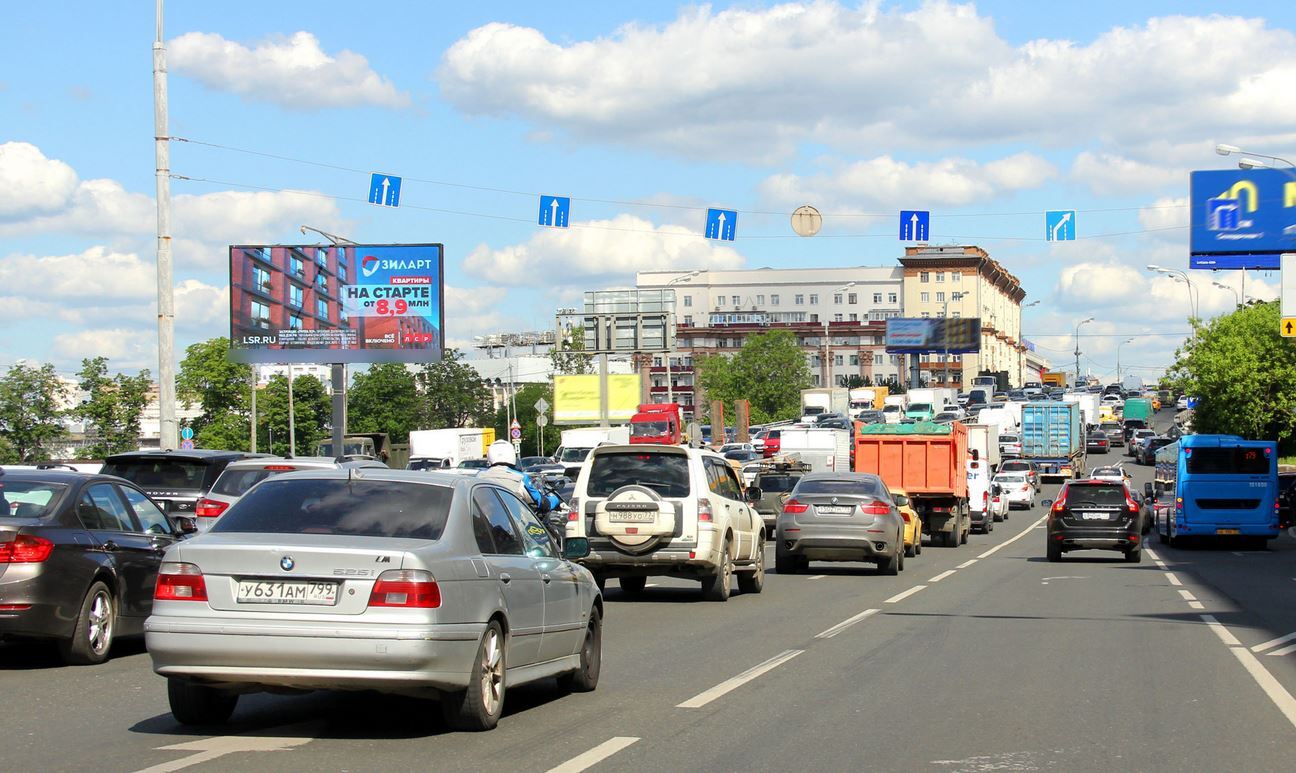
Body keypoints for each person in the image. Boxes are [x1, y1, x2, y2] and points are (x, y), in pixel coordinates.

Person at [480, 440, 560, 515]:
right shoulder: (520, 478)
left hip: (484, 524)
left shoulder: (480, 477)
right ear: (512, 455)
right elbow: (542, 503)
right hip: (512, 526)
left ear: (489, 456)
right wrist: (555, 500)